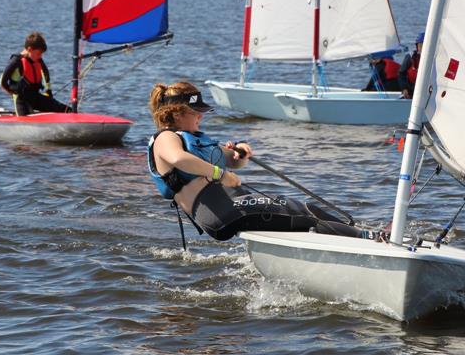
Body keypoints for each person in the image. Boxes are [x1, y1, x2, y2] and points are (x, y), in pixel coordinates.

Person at [147, 81, 384, 242]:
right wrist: (221, 174)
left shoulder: (195, 139)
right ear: (177, 114)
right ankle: (367, 238)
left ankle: (357, 233)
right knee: (297, 211)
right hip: (218, 213)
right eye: (195, 111)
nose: (201, 116)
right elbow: (179, 159)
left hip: (228, 208)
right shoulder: (165, 138)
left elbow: (233, 161)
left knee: (300, 209)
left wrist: (241, 153)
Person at [0, 32, 71, 116]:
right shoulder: (16, 61)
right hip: (22, 100)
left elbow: (46, 73)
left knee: (67, 110)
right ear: (30, 49)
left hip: (36, 96)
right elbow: (2, 81)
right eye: (38, 54)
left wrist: (48, 90)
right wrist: (13, 93)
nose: (40, 56)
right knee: (26, 120)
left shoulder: (38, 59)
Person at [398, 31, 424, 99]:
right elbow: (401, 74)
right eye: (420, 45)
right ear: (417, 46)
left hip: (426, 93)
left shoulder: (434, 59)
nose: (422, 48)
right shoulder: (410, 57)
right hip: (411, 92)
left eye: (424, 46)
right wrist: (404, 89)